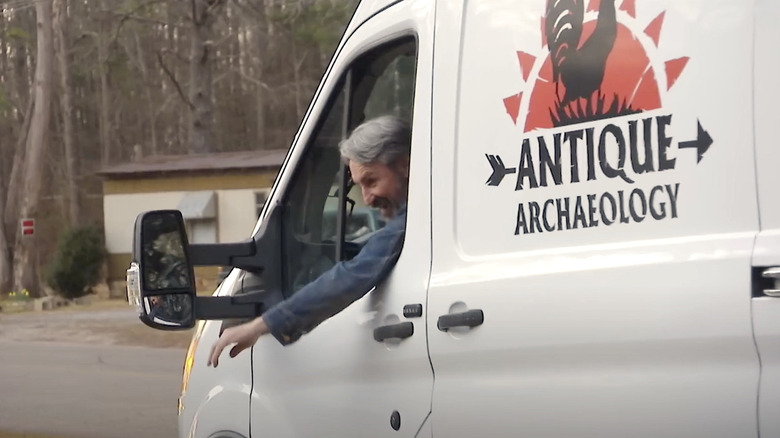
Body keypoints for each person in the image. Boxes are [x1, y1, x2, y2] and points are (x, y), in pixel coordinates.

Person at [208, 115, 411, 367]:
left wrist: (261, 324)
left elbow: (353, 275)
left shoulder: (412, 222)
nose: (367, 199)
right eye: (360, 186)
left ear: (404, 165)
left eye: (372, 181)